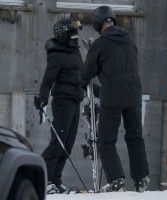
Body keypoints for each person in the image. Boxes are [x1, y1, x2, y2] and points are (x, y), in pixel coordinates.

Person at [78, 6, 150, 193]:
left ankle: (116, 180)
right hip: (134, 93)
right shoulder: (130, 41)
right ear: (112, 20)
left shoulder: (101, 44)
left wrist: (83, 79)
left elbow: (87, 73)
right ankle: (141, 179)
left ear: (98, 23)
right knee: (135, 137)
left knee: (106, 140)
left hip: (112, 96)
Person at [34, 18, 84, 194]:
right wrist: (42, 98)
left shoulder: (75, 52)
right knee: (58, 143)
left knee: (67, 145)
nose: (76, 36)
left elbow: (82, 77)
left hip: (76, 99)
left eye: (76, 32)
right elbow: (48, 79)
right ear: (62, 34)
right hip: (63, 101)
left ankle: (55, 179)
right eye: (72, 32)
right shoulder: (57, 53)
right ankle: (42, 180)